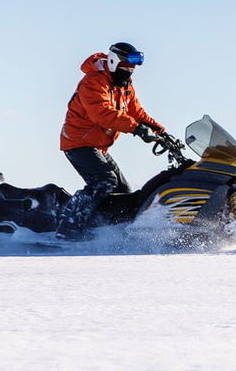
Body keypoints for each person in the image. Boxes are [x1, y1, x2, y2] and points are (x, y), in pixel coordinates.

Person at [55, 42, 166, 239]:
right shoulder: (94, 82)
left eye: (133, 68)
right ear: (114, 61)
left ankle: (107, 232)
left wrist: (159, 130)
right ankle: (68, 228)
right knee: (103, 181)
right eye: (126, 66)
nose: (130, 71)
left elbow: (136, 112)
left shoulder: (124, 86)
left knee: (123, 192)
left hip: (98, 146)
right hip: (78, 142)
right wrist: (137, 129)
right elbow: (103, 113)